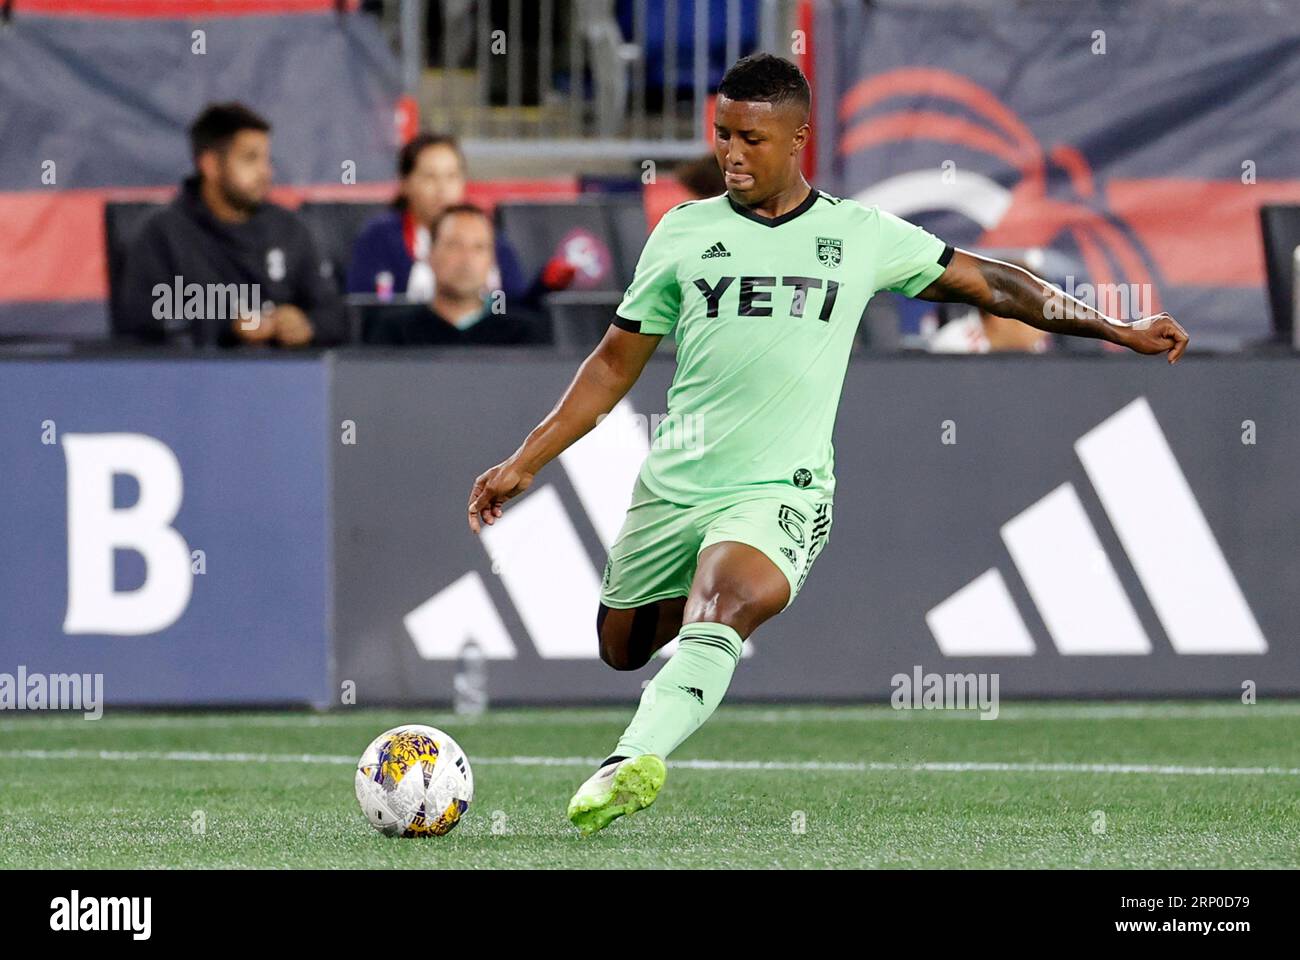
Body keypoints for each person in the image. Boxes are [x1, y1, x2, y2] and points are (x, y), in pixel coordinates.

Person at [464, 54, 1189, 836]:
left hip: (783, 488)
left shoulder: (859, 234)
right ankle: (676, 673)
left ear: (799, 137)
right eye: (721, 136)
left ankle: (632, 758)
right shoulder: (684, 232)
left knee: (725, 599)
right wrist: (524, 461)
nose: (732, 154)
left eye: (751, 138)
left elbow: (998, 287)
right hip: (676, 483)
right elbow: (612, 362)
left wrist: (1115, 327)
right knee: (621, 645)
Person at [116, 102, 345, 347]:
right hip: (197, 378)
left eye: (266, 159)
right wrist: (231, 324)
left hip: (283, 377)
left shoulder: (290, 229)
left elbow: (335, 316)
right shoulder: (163, 232)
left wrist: (306, 325)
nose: (265, 172)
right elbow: (144, 321)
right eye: (250, 159)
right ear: (211, 165)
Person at [346, 132, 572, 304]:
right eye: (429, 177)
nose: (442, 189)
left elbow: (512, 308)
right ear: (405, 183)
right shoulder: (378, 238)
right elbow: (364, 309)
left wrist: (543, 286)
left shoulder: (486, 235)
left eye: (451, 176)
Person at [363, 204, 550, 345]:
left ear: (492, 261)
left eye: (479, 248)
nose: (466, 259)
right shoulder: (394, 333)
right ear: (430, 255)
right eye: (454, 246)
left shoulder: (523, 335)